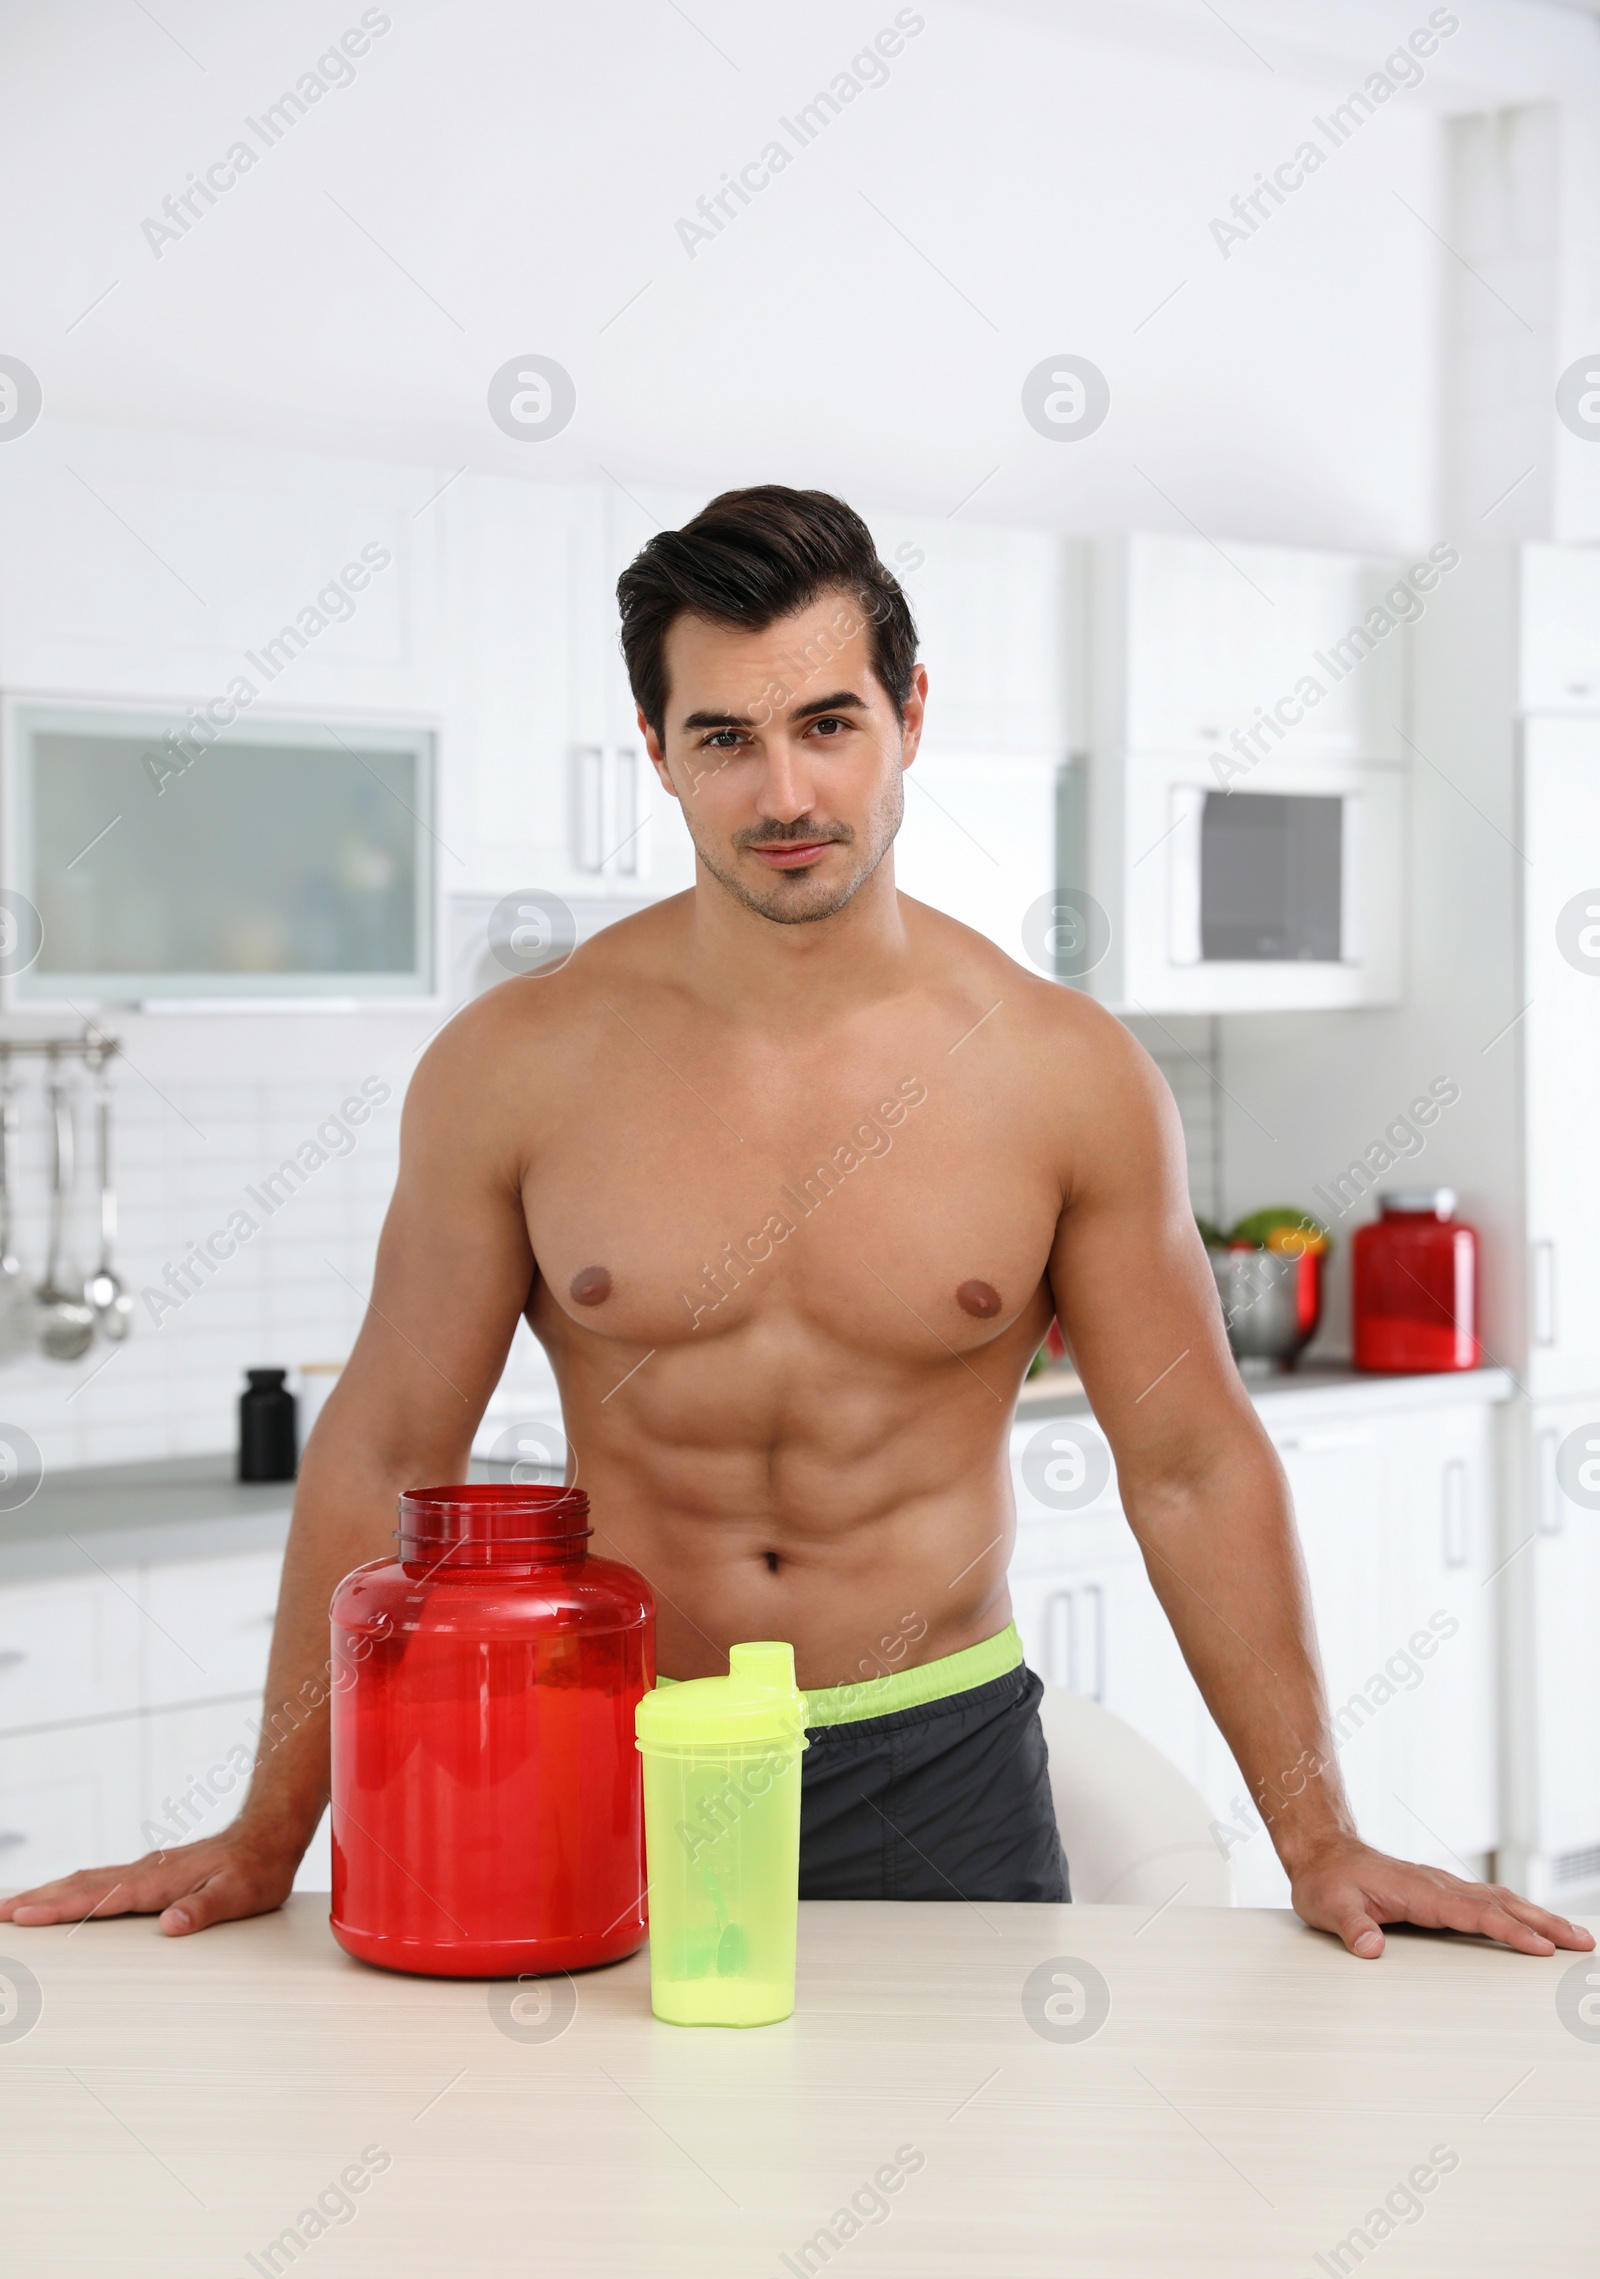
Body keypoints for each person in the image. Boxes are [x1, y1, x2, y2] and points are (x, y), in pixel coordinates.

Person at [4, 486, 1588, 1963]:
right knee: (592, 2226)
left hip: (938, 1762)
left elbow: (1188, 1464)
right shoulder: (517, 1066)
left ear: (909, 715)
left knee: (952, 2237)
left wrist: (1323, 1840)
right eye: (725, 736)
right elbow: (382, 1455)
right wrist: (268, 1833)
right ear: (656, 749)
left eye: (828, 724)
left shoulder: (1062, 1072)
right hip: (618, 1746)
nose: (784, 792)